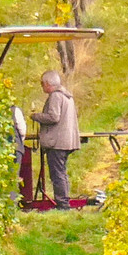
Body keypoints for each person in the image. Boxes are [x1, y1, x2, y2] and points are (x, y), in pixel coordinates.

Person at [32, 70, 80, 209]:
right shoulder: (67, 96)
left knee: (57, 174)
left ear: (48, 83)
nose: (42, 86)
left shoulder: (55, 96)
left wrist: (36, 116)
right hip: (67, 140)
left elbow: (54, 117)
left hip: (57, 142)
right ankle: (64, 202)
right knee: (61, 172)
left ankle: (62, 205)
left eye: (42, 83)